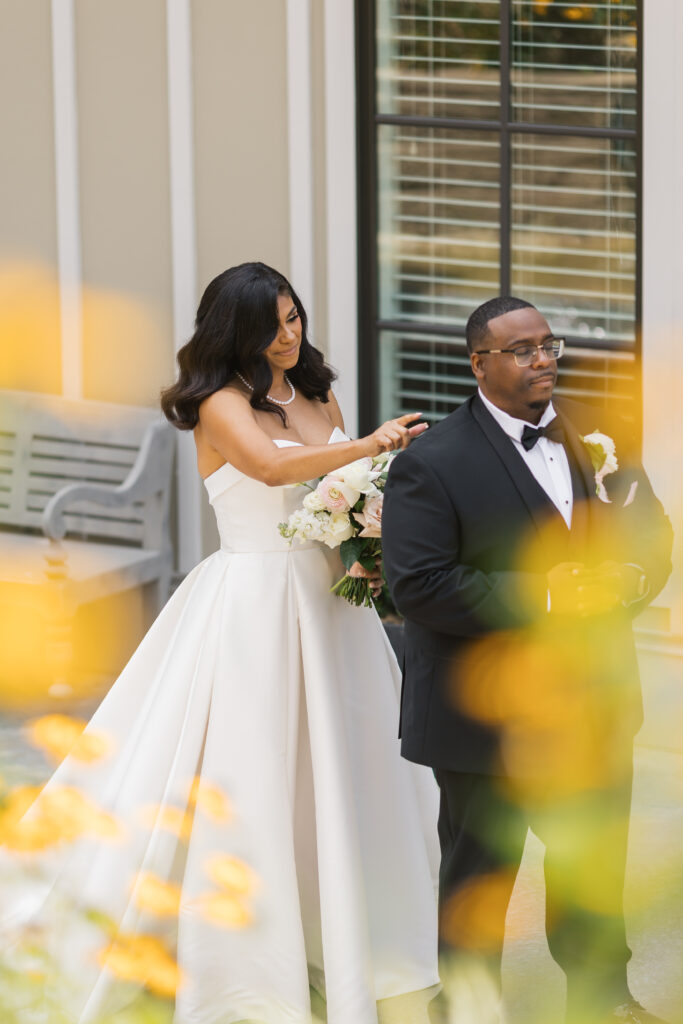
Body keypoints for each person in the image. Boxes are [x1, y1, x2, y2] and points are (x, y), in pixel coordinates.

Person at [2, 263, 440, 1024]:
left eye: (295, 317)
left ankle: (344, 928)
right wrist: (366, 444)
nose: (289, 333)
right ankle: (244, 960)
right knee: (256, 772)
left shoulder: (315, 393)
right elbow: (271, 467)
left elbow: (346, 490)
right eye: (272, 323)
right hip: (256, 604)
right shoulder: (217, 404)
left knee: (347, 762)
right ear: (234, 330)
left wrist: (370, 556)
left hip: (331, 607)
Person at [381, 297, 674, 1024]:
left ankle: (603, 999)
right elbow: (417, 584)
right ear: (478, 362)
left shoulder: (595, 440)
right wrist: (543, 597)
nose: (543, 359)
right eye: (522, 350)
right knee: (480, 874)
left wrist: (631, 582)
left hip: (593, 702)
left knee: (594, 870)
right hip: (487, 717)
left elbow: (650, 532)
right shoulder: (432, 462)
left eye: (549, 345)